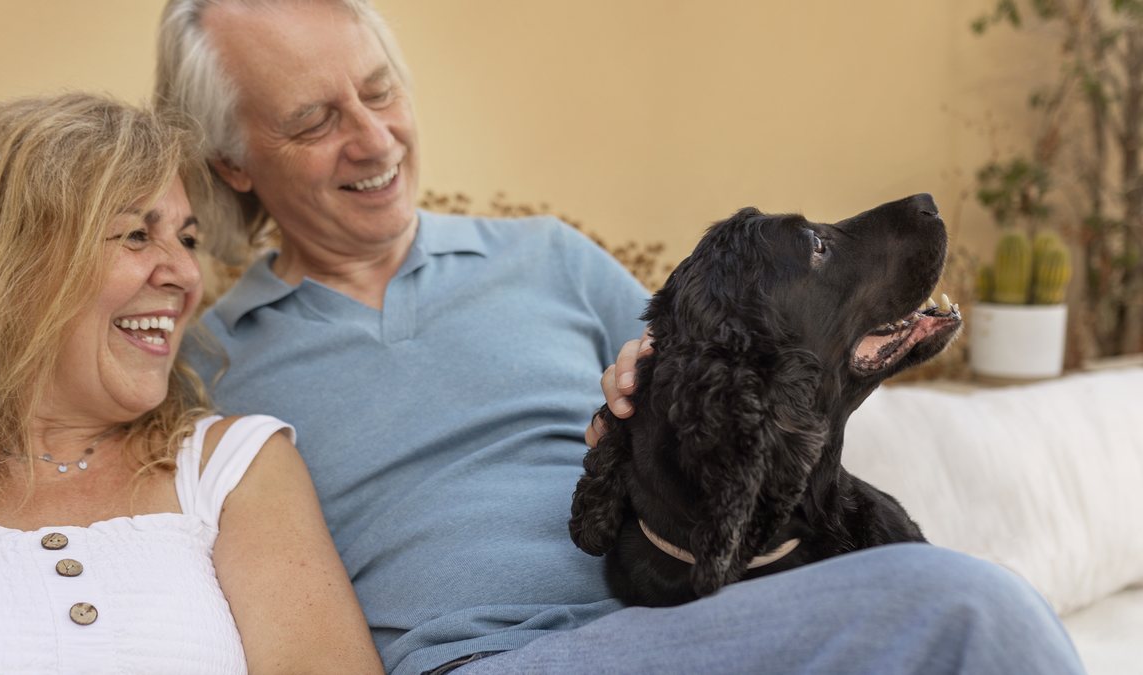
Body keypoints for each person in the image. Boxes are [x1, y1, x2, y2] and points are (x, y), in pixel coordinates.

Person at [156, 1, 1087, 673]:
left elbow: (742, 391)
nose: (374, 139)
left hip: (688, 627)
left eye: (378, 89)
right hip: (486, 659)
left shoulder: (548, 256)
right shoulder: (204, 367)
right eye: (316, 120)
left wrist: (650, 401)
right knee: (967, 606)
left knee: (957, 605)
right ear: (231, 159)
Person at [0, 93, 383, 674]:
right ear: (7, 263)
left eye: (187, 239)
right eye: (135, 235)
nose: (184, 273)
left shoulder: (230, 467)